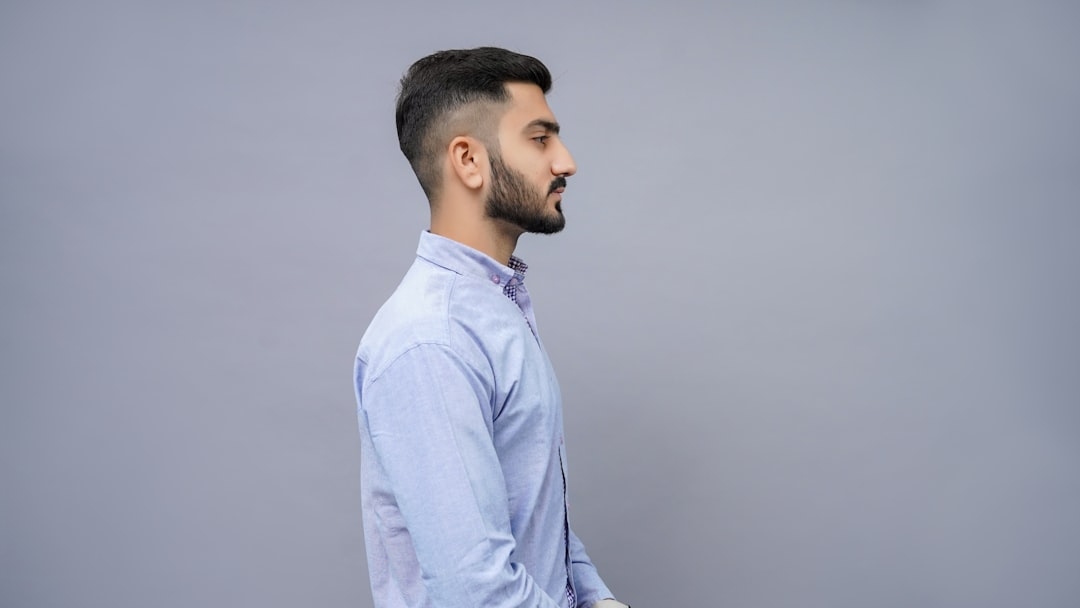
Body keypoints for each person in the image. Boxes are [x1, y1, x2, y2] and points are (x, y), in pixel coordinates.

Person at [353, 47, 630, 608]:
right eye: (540, 139)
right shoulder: (432, 339)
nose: (566, 162)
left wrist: (598, 599)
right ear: (468, 160)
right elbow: (474, 589)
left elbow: (536, 517)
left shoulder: (494, 308)